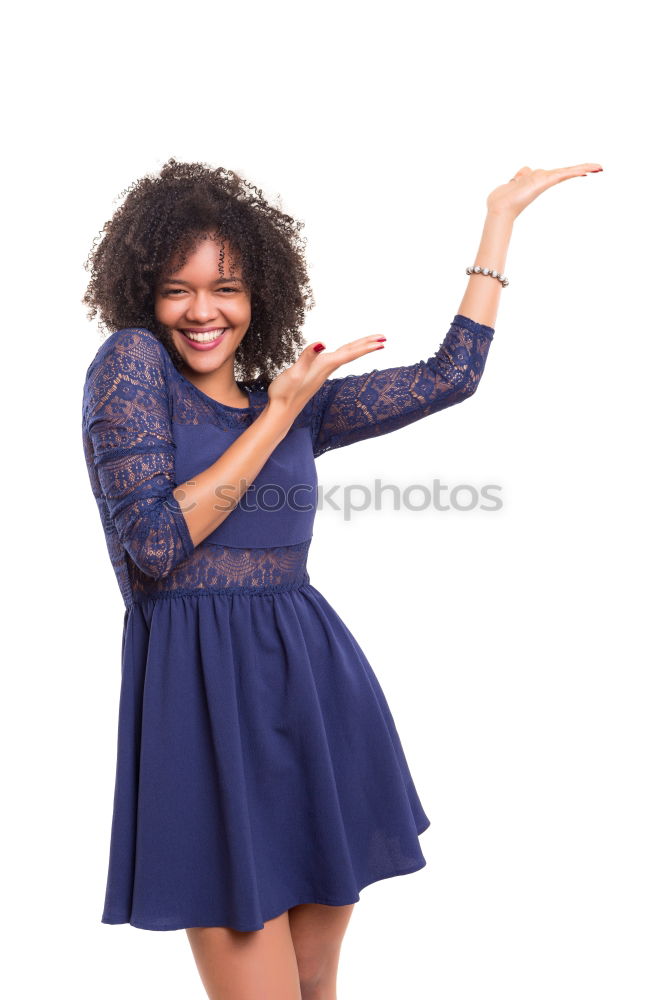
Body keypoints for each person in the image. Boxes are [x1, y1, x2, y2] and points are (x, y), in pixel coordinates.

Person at [81, 157, 602, 1000]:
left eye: (228, 289)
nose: (203, 311)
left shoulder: (289, 405)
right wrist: (282, 411)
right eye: (178, 290)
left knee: (317, 985)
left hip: (316, 702)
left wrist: (499, 218)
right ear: (144, 293)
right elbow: (153, 543)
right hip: (204, 723)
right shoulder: (132, 367)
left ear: (261, 298)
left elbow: (451, 378)